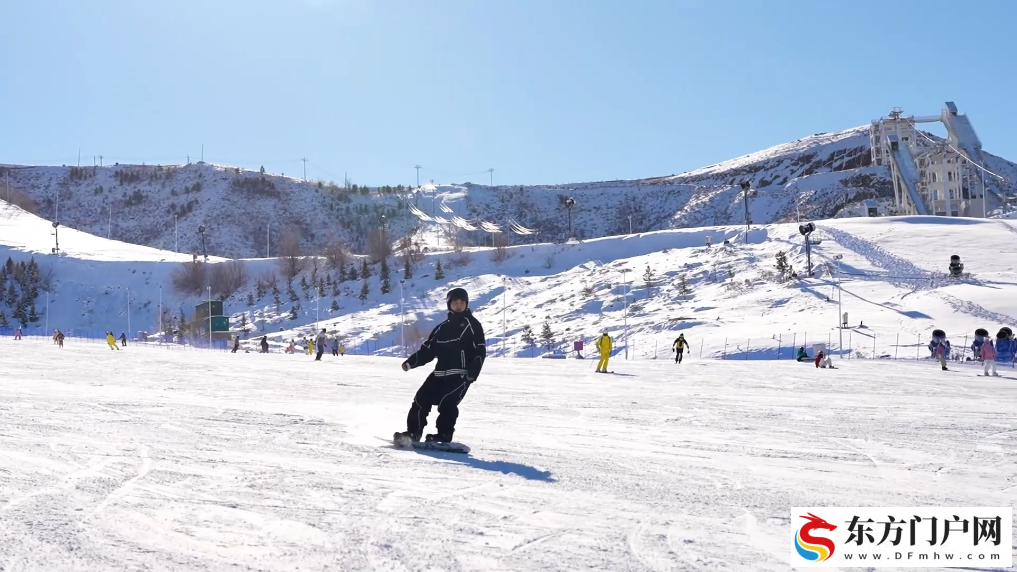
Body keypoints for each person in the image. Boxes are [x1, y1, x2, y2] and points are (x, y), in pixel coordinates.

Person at [394, 288, 486, 444]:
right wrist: (411, 362)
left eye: (461, 303)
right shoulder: (441, 328)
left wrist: (473, 373)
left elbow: (480, 351)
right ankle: (413, 434)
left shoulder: (473, 325)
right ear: (449, 304)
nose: (458, 306)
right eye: (455, 302)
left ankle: (444, 436)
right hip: (439, 374)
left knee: (447, 403)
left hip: (460, 375)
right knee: (420, 399)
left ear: (466, 304)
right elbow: (428, 351)